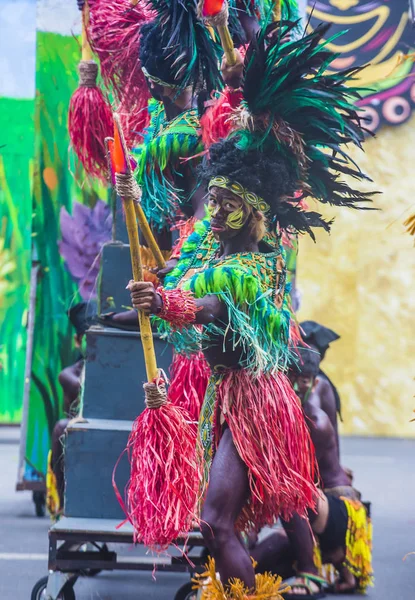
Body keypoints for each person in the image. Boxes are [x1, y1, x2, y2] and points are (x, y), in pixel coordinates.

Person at [127, 19, 375, 597]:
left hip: (256, 398)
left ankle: (290, 576)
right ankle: (307, 570)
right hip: (231, 393)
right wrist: (163, 280)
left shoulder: (253, 267)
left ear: (250, 211)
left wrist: (166, 299)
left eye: (221, 204)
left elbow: (210, 301)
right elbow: (193, 262)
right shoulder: (214, 244)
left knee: (228, 516)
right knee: (281, 495)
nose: (210, 213)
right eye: (209, 201)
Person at [252, 492, 373, 596]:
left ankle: (308, 570)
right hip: (318, 523)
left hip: (342, 512)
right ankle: (338, 557)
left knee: (288, 490)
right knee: (250, 573)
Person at [289, 347, 360, 500]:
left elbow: (305, 475)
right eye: (291, 378)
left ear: (314, 384)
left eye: (303, 381)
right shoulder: (292, 413)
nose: (295, 387)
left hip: (334, 495)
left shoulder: (316, 422)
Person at [46, 301, 96, 518]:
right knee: (60, 428)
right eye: (89, 337)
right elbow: (87, 389)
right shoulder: (69, 375)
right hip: (78, 442)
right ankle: (64, 501)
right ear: (78, 341)